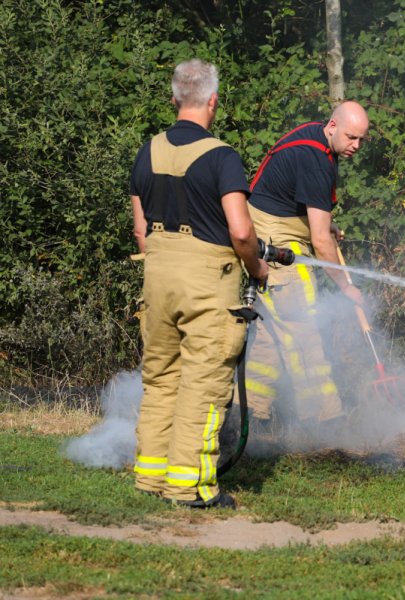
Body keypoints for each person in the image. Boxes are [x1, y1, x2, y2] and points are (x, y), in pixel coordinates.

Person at [129, 58, 268, 508]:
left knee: (161, 379)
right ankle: (189, 488)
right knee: (203, 385)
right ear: (213, 101)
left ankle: (150, 477)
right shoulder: (222, 157)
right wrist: (258, 269)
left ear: (174, 99)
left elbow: (140, 229)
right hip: (208, 283)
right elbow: (242, 232)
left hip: (157, 277)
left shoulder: (146, 151)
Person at [244, 101, 369, 435]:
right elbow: (321, 241)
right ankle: (325, 423)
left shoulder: (316, 141)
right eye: (351, 137)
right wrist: (346, 287)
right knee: (305, 330)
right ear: (332, 126)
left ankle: (250, 418)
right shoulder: (317, 161)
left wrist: (324, 224)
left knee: (270, 337)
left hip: (265, 237)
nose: (356, 146)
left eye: (361, 140)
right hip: (277, 247)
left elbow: (304, 209)